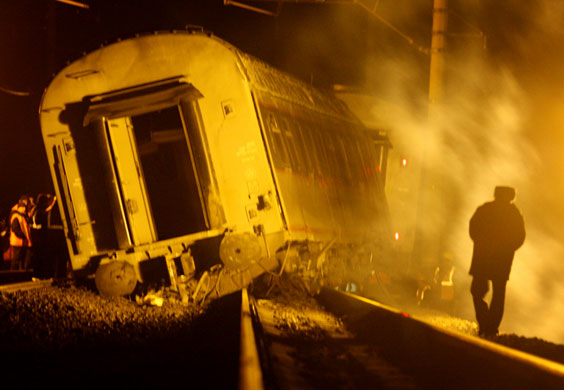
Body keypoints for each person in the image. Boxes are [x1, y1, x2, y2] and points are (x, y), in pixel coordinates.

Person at [469, 186, 525, 338]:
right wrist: (508, 249)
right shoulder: (514, 214)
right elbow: (520, 237)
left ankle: (484, 321)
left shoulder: (484, 209)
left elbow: (473, 228)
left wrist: (481, 243)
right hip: (503, 260)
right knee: (499, 293)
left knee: (477, 291)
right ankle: (491, 327)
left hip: (482, 257)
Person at [9, 195, 33, 271]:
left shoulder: (22, 216)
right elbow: (15, 229)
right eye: (23, 208)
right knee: (16, 259)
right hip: (18, 241)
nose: (24, 209)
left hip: (21, 241)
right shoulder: (16, 216)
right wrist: (22, 236)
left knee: (19, 259)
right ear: (19, 208)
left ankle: (17, 273)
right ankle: (12, 273)